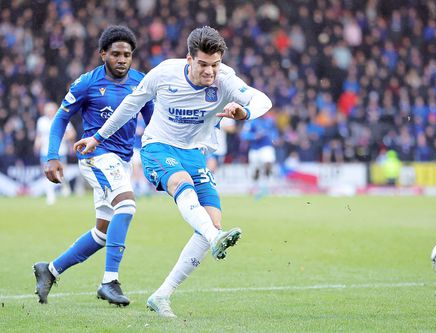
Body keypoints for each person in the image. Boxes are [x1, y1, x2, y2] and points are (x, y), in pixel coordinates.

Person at [74, 26, 272, 318]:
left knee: (212, 223)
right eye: (203, 64)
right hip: (159, 147)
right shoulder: (164, 73)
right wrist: (97, 138)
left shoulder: (225, 79)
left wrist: (245, 113)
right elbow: (130, 105)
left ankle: (162, 295)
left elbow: (262, 100)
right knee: (185, 190)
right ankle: (215, 238)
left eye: (215, 65)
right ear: (188, 58)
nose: (209, 72)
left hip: (195, 154)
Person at [33, 26, 153, 306]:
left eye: (127, 55)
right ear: (103, 54)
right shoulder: (86, 83)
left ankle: (49, 270)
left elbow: (153, 121)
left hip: (122, 161)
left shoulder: (141, 83)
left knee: (102, 232)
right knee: (127, 205)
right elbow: (60, 119)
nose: (122, 59)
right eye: (116, 54)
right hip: (95, 156)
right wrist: (52, 155)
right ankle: (110, 281)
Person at [34, 101, 76, 205]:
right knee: (46, 173)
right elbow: (39, 136)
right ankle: (50, 195)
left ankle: (64, 185)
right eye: (47, 110)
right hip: (45, 152)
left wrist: (61, 138)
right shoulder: (41, 121)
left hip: (60, 151)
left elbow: (72, 133)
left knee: (61, 173)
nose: (49, 112)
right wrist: (37, 144)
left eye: (51, 110)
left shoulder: (62, 119)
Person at [240, 113, 278, 196]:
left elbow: (274, 131)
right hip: (255, 149)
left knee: (268, 162)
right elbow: (243, 135)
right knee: (255, 170)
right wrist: (254, 136)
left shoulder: (270, 120)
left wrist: (275, 138)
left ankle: (270, 185)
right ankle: (254, 187)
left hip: (266, 147)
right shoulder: (251, 122)